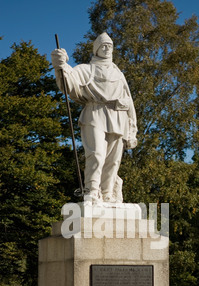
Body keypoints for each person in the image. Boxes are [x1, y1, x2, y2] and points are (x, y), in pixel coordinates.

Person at [51, 32, 137, 203]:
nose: (107, 48)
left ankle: (107, 193)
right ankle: (91, 190)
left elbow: (129, 103)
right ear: (96, 49)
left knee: (113, 160)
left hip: (118, 117)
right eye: (103, 45)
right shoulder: (87, 69)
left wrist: (132, 129)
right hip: (94, 114)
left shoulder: (119, 74)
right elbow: (69, 82)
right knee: (96, 154)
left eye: (110, 46)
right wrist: (60, 64)